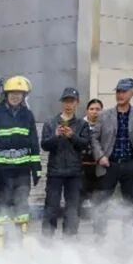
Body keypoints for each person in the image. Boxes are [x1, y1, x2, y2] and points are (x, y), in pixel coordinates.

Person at [0, 76, 40, 246]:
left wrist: (36, 168)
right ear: (6, 94)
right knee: (1, 211)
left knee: (22, 209)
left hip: (22, 172)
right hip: (2, 172)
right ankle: (0, 247)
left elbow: (33, 143)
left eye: (20, 93)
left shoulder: (27, 115)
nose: (16, 96)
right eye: (13, 93)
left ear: (24, 96)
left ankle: (20, 245)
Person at [90, 78, 133, 237]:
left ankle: (127, 235)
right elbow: (94, 138)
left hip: (130, 164)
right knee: (102, 201)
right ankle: (99, 234)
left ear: (132, 93)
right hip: (109, 164)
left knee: (129, 202)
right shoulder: (104, 116)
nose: (120, 95)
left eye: (124, 91)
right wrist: (100, 156)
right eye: (118, 91)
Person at [40, 87, 91, 237]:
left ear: (77, 103)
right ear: (62, 103)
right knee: (51, 206)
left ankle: (70, 237)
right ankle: (47, 237)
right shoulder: (51, 123)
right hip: (55, 172)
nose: (68, 105)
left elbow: (85, 145)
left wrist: (72, 136)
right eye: (66, 101)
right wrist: (55, 136)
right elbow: (44, 145)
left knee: (72, 207)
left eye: (72, 101)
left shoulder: (82, 124)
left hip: (74, 173)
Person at [79, 99, 103, 219]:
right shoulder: (80, 125)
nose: (95, 112)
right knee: (79, 197)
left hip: (99, 168)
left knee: (98, 200)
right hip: (82, 167)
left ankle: (98, 228)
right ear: (87, 111)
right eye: (92, 109)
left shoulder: (105, 125)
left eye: (98, 109)